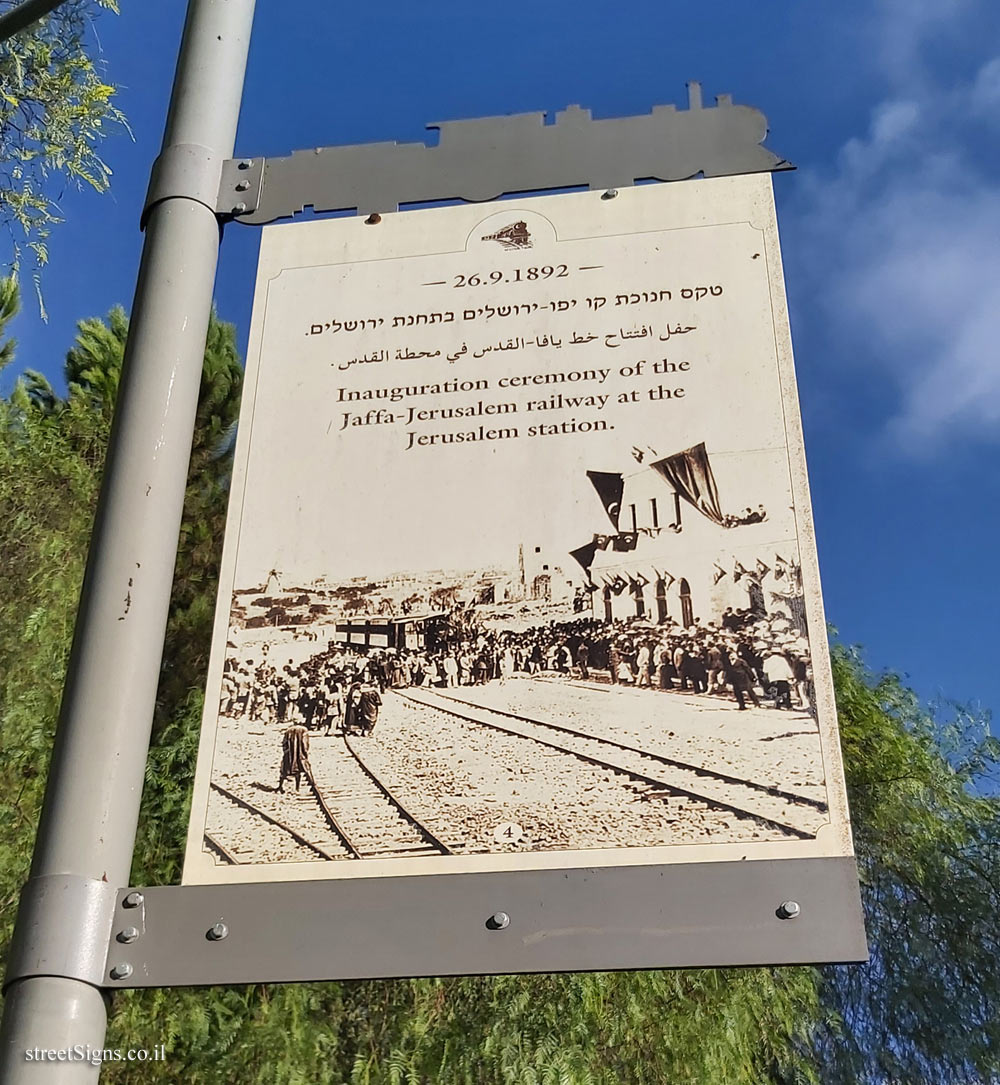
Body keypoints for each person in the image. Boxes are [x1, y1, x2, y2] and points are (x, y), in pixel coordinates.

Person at [278, 723, 310, 792]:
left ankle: (280, 786)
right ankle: (297, 788)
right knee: (297, 770)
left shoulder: (288, 730)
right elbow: (305, 743)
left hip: (289, 753)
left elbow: (284, 743)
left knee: (284, 769)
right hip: (299, 754)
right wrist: (305, 752)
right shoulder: (304, 730)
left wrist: (286, 751)